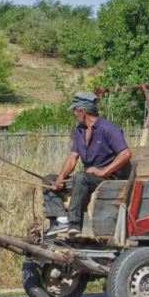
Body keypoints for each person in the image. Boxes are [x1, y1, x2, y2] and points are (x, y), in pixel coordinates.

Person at [43, 92, 132, 237]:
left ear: (82, 111)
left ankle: (74, 223)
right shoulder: (80, 131)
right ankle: (60, 221)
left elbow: (125, 154)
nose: (73, 113)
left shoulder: (109, 129)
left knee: (80, 177)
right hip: (86, 180)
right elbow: (73, 158)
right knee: (49, 179)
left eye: (74, 110)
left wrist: (103, 172)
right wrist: (60, 179)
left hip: (108, 181)